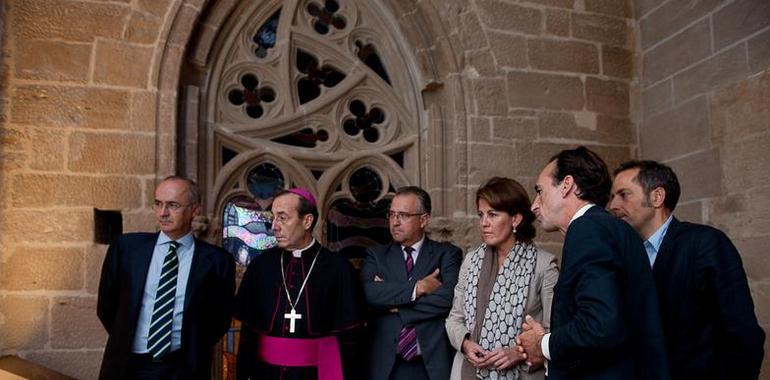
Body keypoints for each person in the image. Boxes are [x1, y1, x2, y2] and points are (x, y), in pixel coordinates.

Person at [516, 147, 670, 380]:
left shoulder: (589, 229)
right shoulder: (610, 227)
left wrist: (542, 343)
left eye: (540, 191)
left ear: (567, 185)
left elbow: (600, 325)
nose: (534, 205)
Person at [608, 160, 765, 380]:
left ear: (657, 197)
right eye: (612, 196)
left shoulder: (705, 244)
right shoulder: (625, 256)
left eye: (623, 195)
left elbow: (743, 333)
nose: (613, 205)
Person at [97, 176, 236, 379]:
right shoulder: (126, 248)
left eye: (173, 205)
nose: (163, 213)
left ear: (195, 210)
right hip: (128, 366)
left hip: (183, 369)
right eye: (158, 204)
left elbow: (219, 320)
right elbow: (107, 307)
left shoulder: (217, 261)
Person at [234, 188, 365, 380]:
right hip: (264, 373)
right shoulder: (261, 266)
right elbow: (247, 334)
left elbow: (351, 341)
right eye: (274, 217)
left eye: (283, 218)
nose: (274, 226)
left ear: (307, 221)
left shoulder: (339, 269)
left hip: (318, 374)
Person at [446, 177, 559, 380]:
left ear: (515, 219)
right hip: (467, 372)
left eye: (493, 215)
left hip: (522, 373)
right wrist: (466, 343)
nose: (484, 223)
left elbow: (555, 329)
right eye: (481, 215)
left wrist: (519, 352)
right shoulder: (471, 260)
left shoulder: (544, 265)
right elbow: (455, 318)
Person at [362, 186, 462, 380]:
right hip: (385, 365)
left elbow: (449, 298)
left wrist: (395, 304)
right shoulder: (376, 255)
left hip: (429, 364)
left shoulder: (447, 255)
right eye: (391, 214)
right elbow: (368, 293)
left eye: (403, 215)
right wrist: (419, 288)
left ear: (423, 219)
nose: (395, 222)